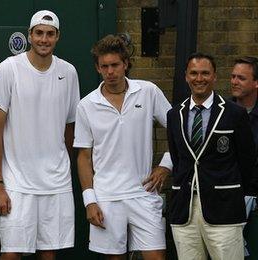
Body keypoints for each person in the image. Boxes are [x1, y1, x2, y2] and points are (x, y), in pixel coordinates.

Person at [0, 10, 80, 260]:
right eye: (39, 33)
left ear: (58, 37)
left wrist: (60, 164)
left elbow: (71, 127)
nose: (44, 39)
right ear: (30, 35)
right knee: (10, 254)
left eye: (50, 34)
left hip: (56, 183)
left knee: (48, 253)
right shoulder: (8, 69)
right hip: (16, 182)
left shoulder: (69, 72)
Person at [74, 34, 172, 260]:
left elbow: (178, 130)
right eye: (104, 66)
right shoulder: (86, 105)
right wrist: (90, 201)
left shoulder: (148, 91)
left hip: (144, 193)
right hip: (106, 197)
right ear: (98, 68)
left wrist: (165, 165)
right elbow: (83, 157)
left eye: (115, 65)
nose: (110, 72)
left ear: (125, 64)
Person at [166, 52, 257, 260]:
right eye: (194, 73)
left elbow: (247, 161)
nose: (200, 78)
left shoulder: (234, 113)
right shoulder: (174, 115)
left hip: (224, 207)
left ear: (214, 76)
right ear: (186, 76)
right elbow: (178, 159)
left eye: (205, 73)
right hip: (185, 208)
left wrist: (231, 189)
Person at [228, 56, 258, 257]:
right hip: (229, 199)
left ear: (256, 83)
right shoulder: (222, 112)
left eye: (241, 78)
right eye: (232, 76)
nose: (234, 81)